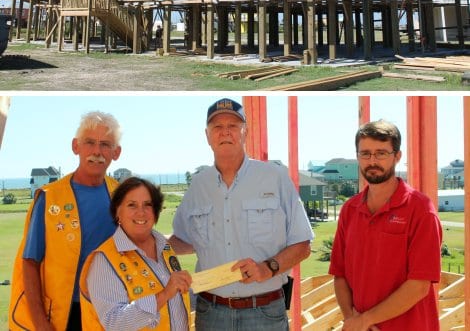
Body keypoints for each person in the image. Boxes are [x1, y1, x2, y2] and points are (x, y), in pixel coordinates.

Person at [169, 97, 313, 331]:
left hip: (264, 313)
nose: (225, 132)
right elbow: (185, 241)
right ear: (207, 136)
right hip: (211, 313)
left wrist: (269, 267)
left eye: (233, 126)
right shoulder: (198, 185)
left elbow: (302, 244)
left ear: (245, 133)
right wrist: (147, 242)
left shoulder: (274, 177)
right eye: (217, 127)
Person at [9, 111, 123, 331]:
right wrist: (41, 324)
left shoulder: (121, 196)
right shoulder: (50, 196)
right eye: (89, 142)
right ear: (75, 146)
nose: (97, 151)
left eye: (105, 145)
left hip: (109, 311)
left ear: (116, 152)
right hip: (63, 315)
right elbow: (30, 263)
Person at [329, 119, 442, 331]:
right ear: (358, 157)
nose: (372, 161)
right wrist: (352, 319)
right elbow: (340, 274)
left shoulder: (420, 210)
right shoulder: (349, 210)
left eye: (381, 153)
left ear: (397, 157)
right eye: (365, 154)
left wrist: (364, 320)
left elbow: (419, 286)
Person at [80, 177, 192, 331]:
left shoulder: (164, 246)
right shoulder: (104, 261)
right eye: (132, 205)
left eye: (148, 204)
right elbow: (115, 323)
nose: (141, 212)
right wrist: (164, 294)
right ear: (117, 211)